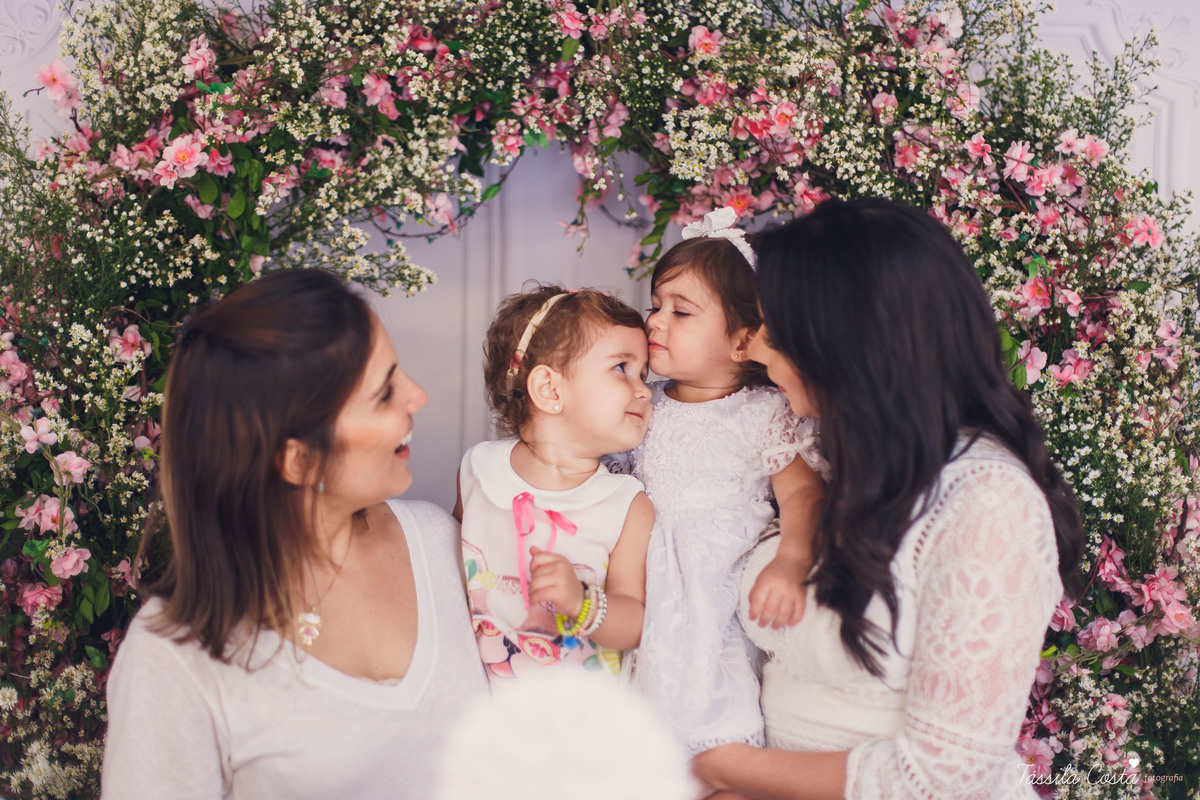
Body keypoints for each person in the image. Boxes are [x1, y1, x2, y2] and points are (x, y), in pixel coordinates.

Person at [693, 197, 1084, 800]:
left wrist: (726, 770)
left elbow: (944, 778)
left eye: (775, 334)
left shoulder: (988, 504)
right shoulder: (837, 464)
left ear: (844, 344)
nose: (759, 352)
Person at [101, 269, 487, 799]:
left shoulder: (447, 544)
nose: (418, 396)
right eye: (383, 394)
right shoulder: (175, 657)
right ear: (300, 460)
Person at [607, 208, 826, 768]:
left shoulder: (763, 412)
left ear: (743, 339)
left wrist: (794, 555)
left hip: (713, 586)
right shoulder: (643, 403)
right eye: (656, 305)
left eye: (681, 311)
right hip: (640, 577)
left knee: (710, 703)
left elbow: (803, 494)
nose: (654, 322)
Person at [454, 285, 654, 680]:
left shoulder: (626, 503)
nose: (645, 389)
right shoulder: (478, 470)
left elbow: (634, 624)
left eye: (644, 373)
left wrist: (580, 601)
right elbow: (447, 573)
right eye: (622, 368)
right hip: (480, 706)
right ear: (549, 390)